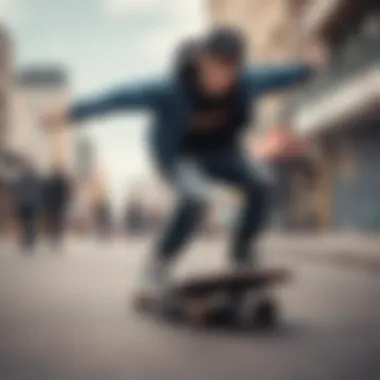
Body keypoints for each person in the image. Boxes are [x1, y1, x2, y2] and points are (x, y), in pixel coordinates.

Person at [44, 28, 324, 297]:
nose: (222, 79)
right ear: (202, 62)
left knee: (261, 183)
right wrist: (70, 114)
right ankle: (158, 265)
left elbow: (283, 76)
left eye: (231, 71)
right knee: (195, 197)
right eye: (216, 68)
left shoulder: (246, 82)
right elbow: (117, 98)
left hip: (222, 153)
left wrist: (309, 66)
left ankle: (243, 254)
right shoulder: (168, 88)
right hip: (179, 157)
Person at [15, 162, 42, 252]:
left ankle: (26, 240)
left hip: (24, 203)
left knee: (25, 223)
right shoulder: (35, 178)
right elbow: (39, 192)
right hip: (32, 204)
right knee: (32, 223)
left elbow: (18, 191)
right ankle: (30, 241)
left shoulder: (21, 178)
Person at [43, 167, 71, 249]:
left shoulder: (50, 183)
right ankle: (56, 238)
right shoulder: (62, 184)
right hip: (58, 206)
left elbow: (47, 194)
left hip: (53, 205)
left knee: (53, 222)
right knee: (57, 222)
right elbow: (65, 196)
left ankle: (54, 237)